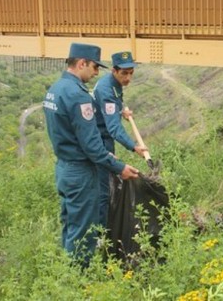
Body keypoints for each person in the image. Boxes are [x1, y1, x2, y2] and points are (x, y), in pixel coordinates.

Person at [43, 43, 140, 266]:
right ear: (82, 63)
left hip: (64, 168)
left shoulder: (55, 89)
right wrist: (119, 167)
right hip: (80, 172)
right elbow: (92, 145)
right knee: (84, 232)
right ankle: (78, 281)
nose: (96, 73)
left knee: (70, 224)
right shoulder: (79, 96)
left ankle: (67, 272)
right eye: (94, 67)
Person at [93, 51, 146, 227]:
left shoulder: (114, 85)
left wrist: (121, 110)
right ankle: (101, 235)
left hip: (104, 136)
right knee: (103, 190)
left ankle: (106, 224)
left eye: (131, 72)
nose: (128, 77)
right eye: (124, 73)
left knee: (106, 185)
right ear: (114, 71)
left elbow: (112, 106)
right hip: (101, 141)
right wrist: (133, 146)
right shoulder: (106, 90)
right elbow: (114, 128)